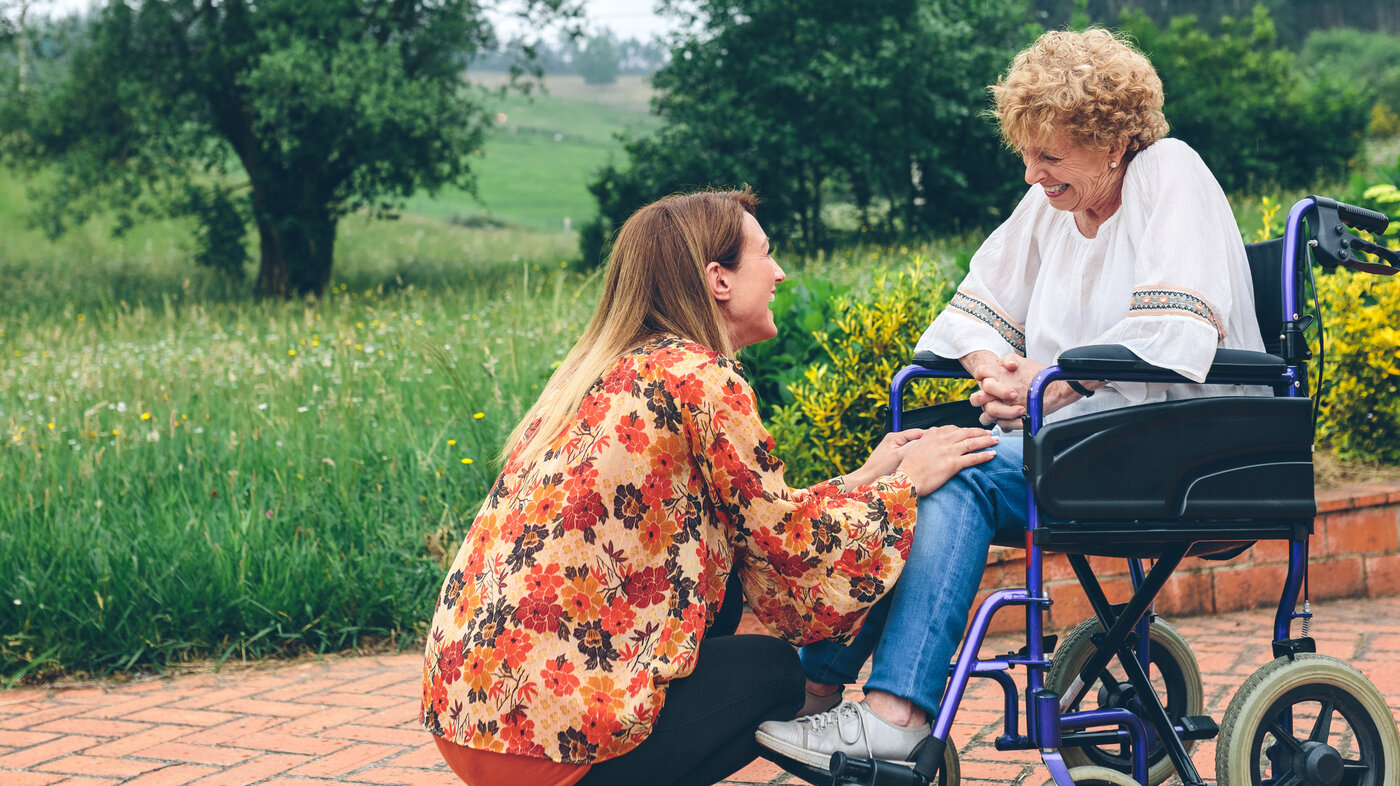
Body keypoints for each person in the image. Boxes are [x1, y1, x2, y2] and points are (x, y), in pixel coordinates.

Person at [756, 28, 1266, 768]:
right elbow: (977, 306)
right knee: (923, 461)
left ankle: (889, 715)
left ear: (1114, 140)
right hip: (1081, 447)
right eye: (1026, 154)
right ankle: (815, 694)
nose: (1032, 174)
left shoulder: (1169, 174)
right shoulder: (1053, 207)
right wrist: (995, 369)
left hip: (1177, 449)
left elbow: (1176, 328)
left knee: (953, 471)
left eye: (1050, 156)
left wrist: (1052, 388)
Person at [419, 188, 1001, 786]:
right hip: (553, 747)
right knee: (775, 674)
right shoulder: (701, 377)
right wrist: (905, 489)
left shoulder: (607, 372)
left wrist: (866, 477)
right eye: (765, 256)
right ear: (718, 279)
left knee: (715, 593)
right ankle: (869, 740)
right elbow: (790, 552)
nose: (778, 274)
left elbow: (753, 515)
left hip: (472, 720)